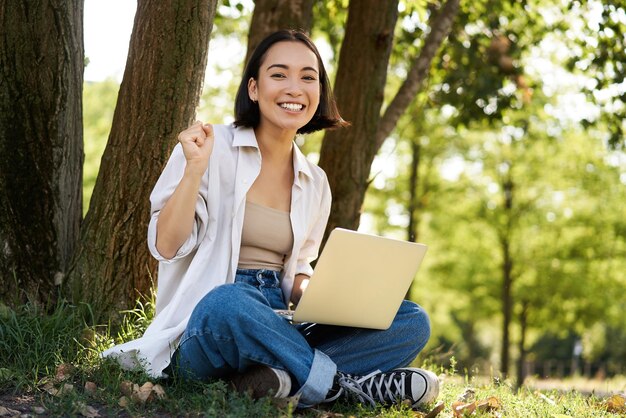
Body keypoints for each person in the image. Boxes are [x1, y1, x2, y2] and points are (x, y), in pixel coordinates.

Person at [103, 29, 439, 409]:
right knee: (230, 302)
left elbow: (297, 269)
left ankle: (270, 380)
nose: (295, 88)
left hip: (279, 320)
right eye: (279, 75)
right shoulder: (208, 148)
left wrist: (313, 291)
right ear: (253, 89)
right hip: (210, 324)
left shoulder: (316, 182)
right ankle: (339, 388)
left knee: (411, 321)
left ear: (319, 93)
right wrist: (194, 171)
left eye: (308, 77)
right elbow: (166, 246)